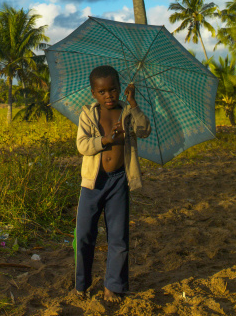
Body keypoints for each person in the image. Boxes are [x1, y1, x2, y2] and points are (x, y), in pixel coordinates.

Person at [75, 65, 151, 302]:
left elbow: (145, 130)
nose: (109, 95)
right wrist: (106, 139)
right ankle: (82, 284)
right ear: (94, 93)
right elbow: (83, 145)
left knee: (118, 236)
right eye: (102, 91)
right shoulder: (88, 114)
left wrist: (134, 104)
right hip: (92, 183)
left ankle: (113, 286)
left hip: (119, 181)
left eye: (113, 90)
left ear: (121, 89)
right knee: (84, 234)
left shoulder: (128, 113)